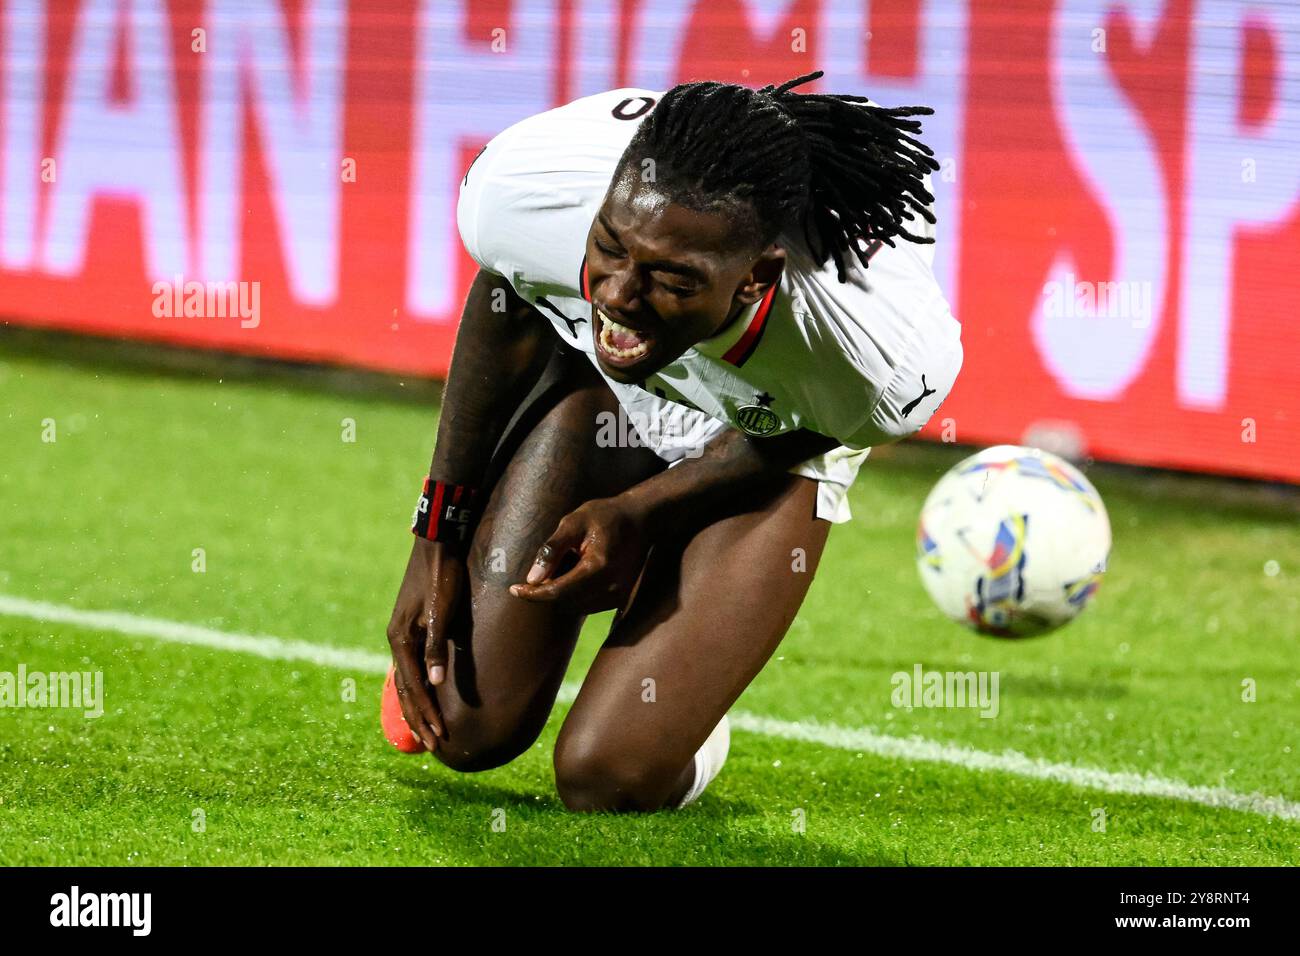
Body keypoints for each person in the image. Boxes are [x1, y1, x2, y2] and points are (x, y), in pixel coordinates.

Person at [383, 71, 963, 812]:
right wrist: (437, 535)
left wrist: (642, 511)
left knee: (609, 779)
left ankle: (685, 708)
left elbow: (815, 426)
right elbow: (511, 295)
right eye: (609, 249)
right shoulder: (524, 187)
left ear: (757, 277)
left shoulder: (872, 357)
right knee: (465, 728)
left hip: (770, 429)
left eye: (672, 280)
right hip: (611, 397)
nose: (620, 294)